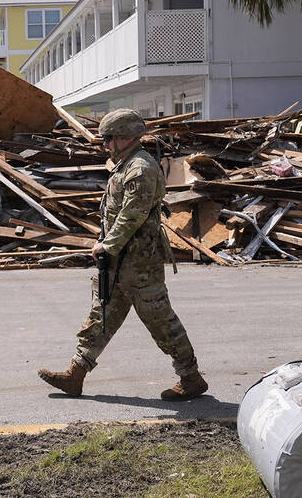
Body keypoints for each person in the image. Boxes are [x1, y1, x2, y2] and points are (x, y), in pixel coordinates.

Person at [38, 108, 208, 402]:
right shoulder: (125, 165)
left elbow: (133, 214)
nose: (105, 145)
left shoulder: (140, 169)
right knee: (101, 315)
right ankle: (75, 374)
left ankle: (191, 378)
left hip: (139, 263)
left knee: (161, 322)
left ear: (127, 137)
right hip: (119, 261)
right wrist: (107, 244)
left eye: (109, 139)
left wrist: (108, 245)